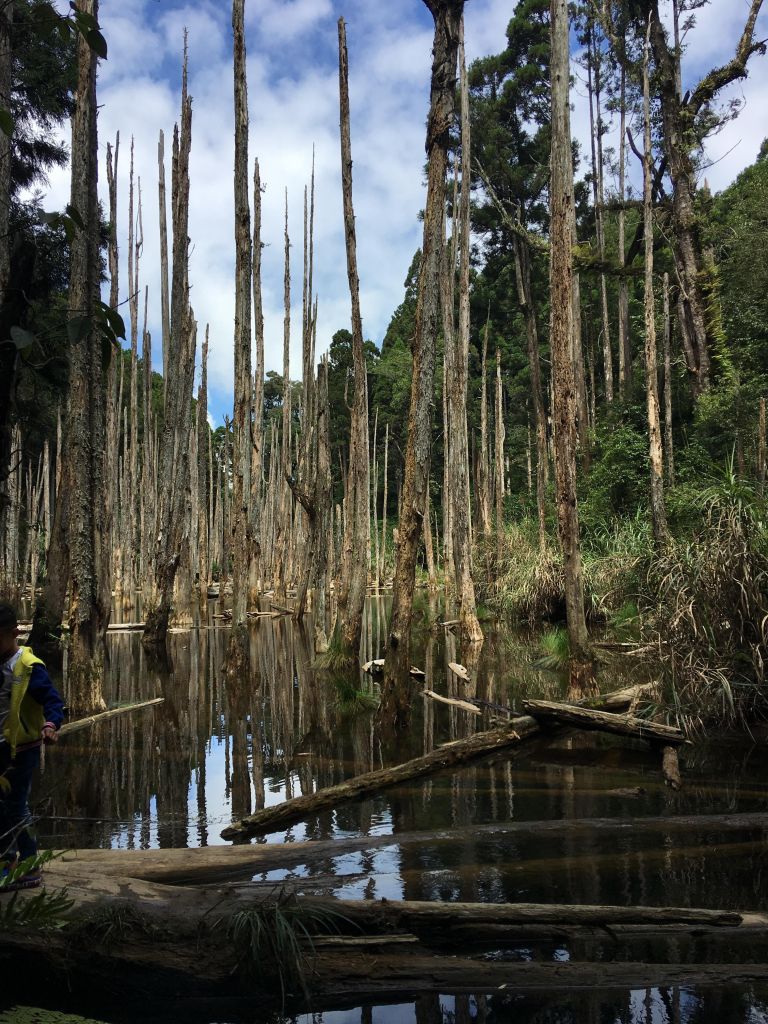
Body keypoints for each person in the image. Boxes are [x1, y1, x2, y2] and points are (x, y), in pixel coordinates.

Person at [0, 602, 64, 890]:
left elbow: (53, 702)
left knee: (16, 807)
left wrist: (51, 725)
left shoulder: (28, 666)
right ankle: (7, 861)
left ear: (14, 633)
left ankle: (28, 866)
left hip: (20, 750)